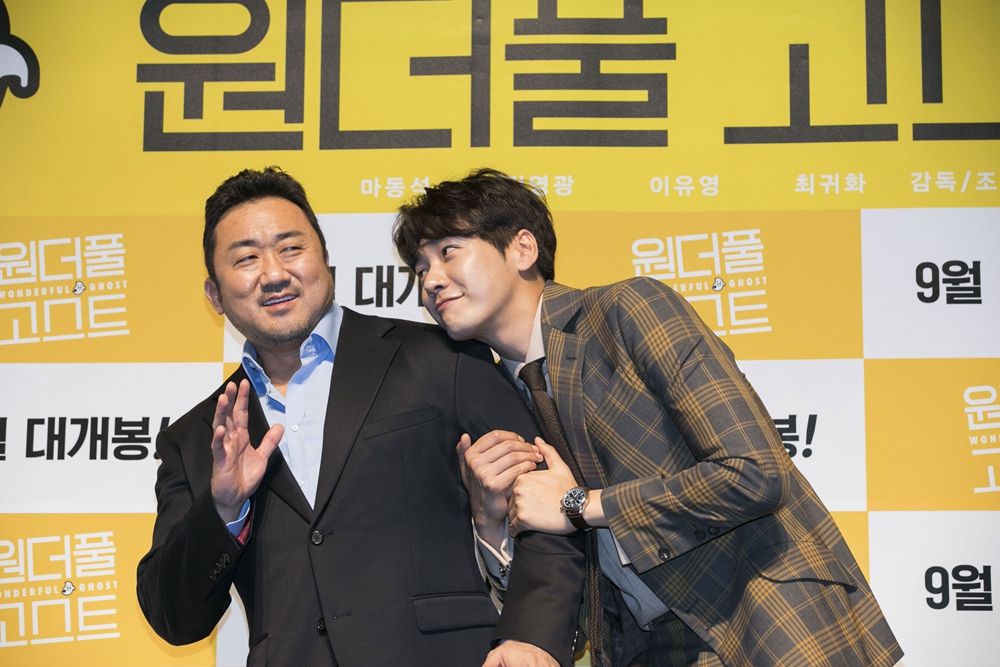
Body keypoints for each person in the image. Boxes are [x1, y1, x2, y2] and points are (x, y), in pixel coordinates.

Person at [392, 168, 905, 667]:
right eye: (419, 269)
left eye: (448, 252)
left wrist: (580, 504)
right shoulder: (491, 399)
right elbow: (565, 602)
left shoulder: (626, 310)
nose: (431, 281)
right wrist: (491, 524)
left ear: (522, 249)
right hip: (644, 647)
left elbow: (754, 473)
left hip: (760, 618)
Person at [135, 167, 585, 667]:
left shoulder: (441, 358)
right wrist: (223, 509)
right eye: (246, 258)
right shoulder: (196, 438)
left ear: (325, 260)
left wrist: (532, 636)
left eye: (291, 248)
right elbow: (173, 618)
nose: (274, 273)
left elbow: (547, 501)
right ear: (215, 295)